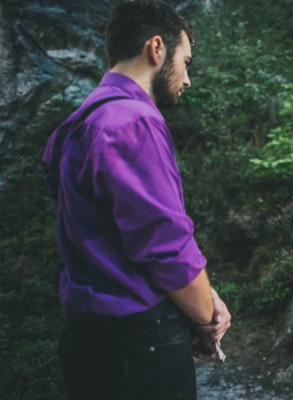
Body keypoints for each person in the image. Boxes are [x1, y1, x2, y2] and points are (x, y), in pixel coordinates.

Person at [42, 1, 231, 399]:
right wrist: (206, 315)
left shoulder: (71, 128)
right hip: (142, 347)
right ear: (157, 48)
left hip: (88, 339)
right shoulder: (134, 119)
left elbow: (99, 241)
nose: (188, 78)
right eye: (187, 61)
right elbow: (165, 246)